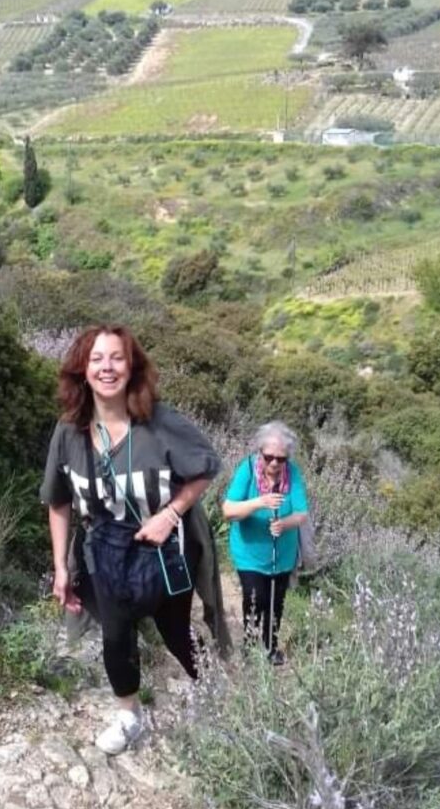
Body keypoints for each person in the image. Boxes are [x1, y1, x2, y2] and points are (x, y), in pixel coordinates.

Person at [41, 324, 226, 755]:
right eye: (96, 359)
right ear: (82, 370)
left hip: (164, 551)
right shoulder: (69, 432)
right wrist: (61, 567)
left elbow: (205, 468)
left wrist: (169, 515)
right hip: (104, 552)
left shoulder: (160, 423)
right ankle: (128, 715)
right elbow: (59, 502)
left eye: (117, 358)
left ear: (132, 367)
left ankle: (216, 694)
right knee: (115, 634)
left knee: (176, 631)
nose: (107, 368)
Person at [222, 420, 308, 665]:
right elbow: (228, 510)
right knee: (255, 599)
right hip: (249, 552)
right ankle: (249, 647)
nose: (274, 463)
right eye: (268, 457)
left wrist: (284, 524)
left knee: (275, 602)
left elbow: (302, 513)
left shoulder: (293, 473)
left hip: (282, 555)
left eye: (281, 458)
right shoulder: (247, 470)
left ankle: (271, 648)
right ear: (259, 451)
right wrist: (259, 502)